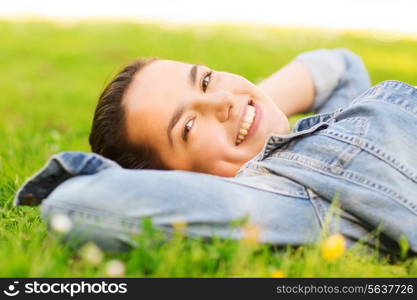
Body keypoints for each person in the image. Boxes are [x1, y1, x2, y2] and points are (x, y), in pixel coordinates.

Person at [14, 49, 417, 256]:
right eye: (187, 128)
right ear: (184, 183)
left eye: (204, 80)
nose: (219, 99)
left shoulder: (319, 131)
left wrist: (245, 105)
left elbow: (339, 67)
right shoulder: (285, 204)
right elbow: (75, 206)